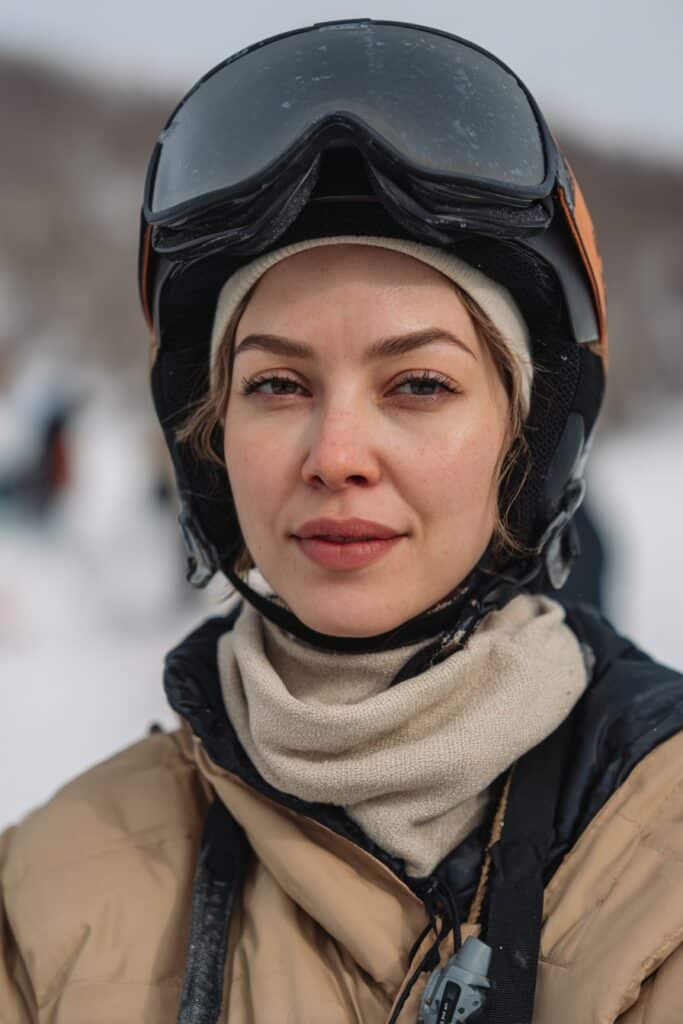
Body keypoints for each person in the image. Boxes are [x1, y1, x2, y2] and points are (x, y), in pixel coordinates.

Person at [1, 19, 681, 1024]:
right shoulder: (45, 896)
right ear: (211, 439)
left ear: (526, 440)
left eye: (418, 383)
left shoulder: (661, 862)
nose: (334, 454)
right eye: (276, 383)